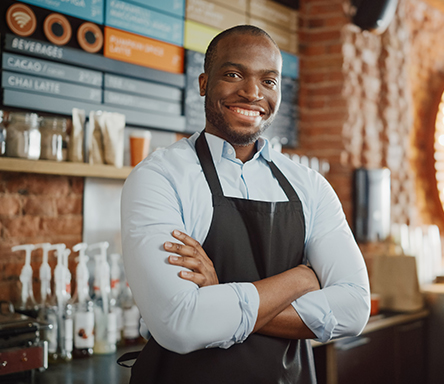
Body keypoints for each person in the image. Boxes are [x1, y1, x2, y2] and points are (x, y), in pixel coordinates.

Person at [121, 25, 370, 383]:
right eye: (234, 74)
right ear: (204, 83)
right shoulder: (159, 177)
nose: (253, 92)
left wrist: (220, 292)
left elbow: (353, 310)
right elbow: (180, 322)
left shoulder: (310, 186)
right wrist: (301, 279)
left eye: (269, 81)